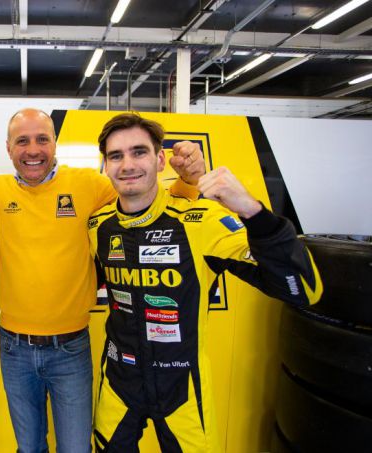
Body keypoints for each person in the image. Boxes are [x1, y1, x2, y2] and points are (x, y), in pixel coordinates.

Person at [0, 108, 205, 453]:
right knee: (29, 449)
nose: (33, 150)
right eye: (22, 141)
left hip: (71, 349)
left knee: (76, 449)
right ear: (8, 148)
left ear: (55, 143)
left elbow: (148, 205)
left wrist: (188, 182)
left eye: (42, 139)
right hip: (14, 348)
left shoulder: (91, 186)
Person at [87, 113, 323, 452]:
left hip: (182, 387)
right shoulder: (98, 225)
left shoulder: (199, 222)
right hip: (118, 382)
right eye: (116, 156)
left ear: (160, 160)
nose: (128, 164)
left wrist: (252, 211)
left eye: (139, 152)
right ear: (106, 167)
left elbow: (302, 287)